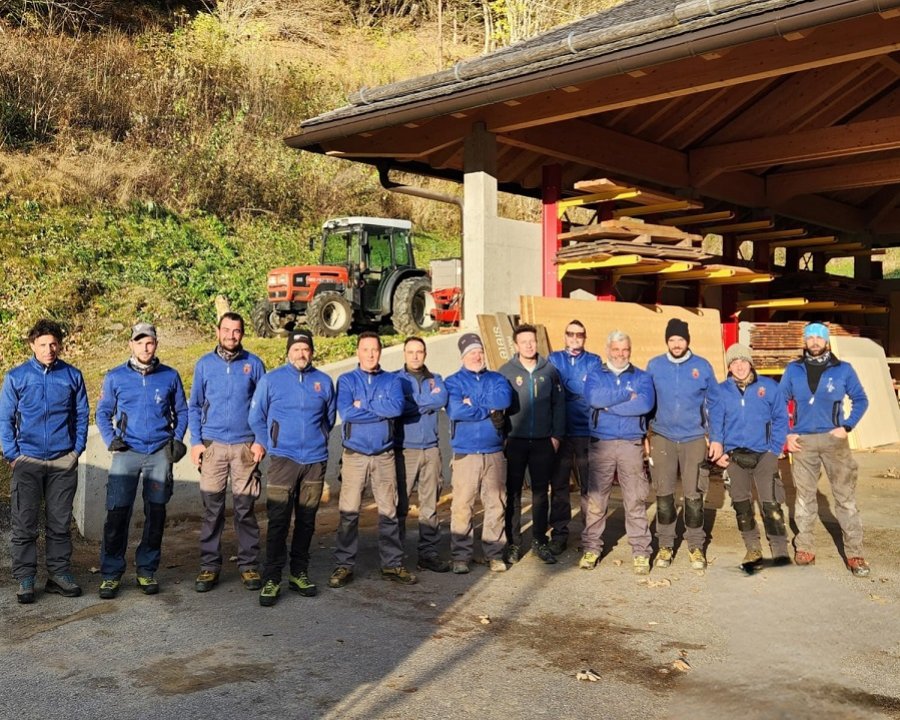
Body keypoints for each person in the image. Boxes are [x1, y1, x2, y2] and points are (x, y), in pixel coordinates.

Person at [95, 322, 188, 599]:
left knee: (156, 513)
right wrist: (111, 438)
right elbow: (102, 413)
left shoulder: (170, 376)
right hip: (127, 451)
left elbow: (182, 411)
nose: (145, 347)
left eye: (149, 342)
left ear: (156, 344)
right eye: (139, 342)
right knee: (117, 513)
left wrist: (177, 439)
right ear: (131, 345)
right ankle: (111, 573)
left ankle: (146, 570)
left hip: (160, 451)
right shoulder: (115, 377)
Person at [0, 319, 89, 604]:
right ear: (32, 345)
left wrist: (76, 451)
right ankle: (26, 577)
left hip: (63, 461)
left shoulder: (72, 375)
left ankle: (59, 574)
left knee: (59, 523)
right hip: (28, 461)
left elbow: (82, 415)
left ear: (60, 344)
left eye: (53, 344)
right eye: (43, 345)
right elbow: (5, 418)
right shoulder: (16, 377)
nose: (49, 349)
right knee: (25, 522)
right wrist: (13, 455)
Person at [249, 330, 336, 606]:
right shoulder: (271, 380)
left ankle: (299, 572)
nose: (301, 353)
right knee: (278, 520)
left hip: (314, 460)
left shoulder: (323, 381)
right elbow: (256, 416)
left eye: (305, 349)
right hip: (283, 459)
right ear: (288, 351)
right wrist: (266, 442)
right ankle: (272, 576)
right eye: (296, 348)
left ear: (312, 352)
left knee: (307, 520)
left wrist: (318, 441)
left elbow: (329, 418)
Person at [779, 323, 870, 576]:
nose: (815, 341)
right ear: (805, 342)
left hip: (834, 441)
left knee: (845, 499)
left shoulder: (843, 370)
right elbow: (779, 402)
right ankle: (805, 546)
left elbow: (861, 399)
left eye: (819, 337)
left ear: (827, 341)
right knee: (804, 498)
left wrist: (847, 426)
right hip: (803, 443)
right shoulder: (793, 370)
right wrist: (787, 433)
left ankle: (855, 554)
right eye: (811, 337)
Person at [188, 312, 266, 593]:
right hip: (213, 446)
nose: (231, 335)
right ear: (217, 331)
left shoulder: (254, 364)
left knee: (245, 509)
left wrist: (261, 441)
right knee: (213, 510)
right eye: (227, 330)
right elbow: (195, 406)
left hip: (245, 446)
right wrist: (196, 442)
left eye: (237, 331)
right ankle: (209, 567)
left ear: (242, 334)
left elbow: (264, 406)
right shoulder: (204, 365)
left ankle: (249, 566)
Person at [330, 331, 415, 588]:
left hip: (384, 456)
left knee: (389, 511)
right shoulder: (346, 380)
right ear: (358, 352)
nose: (370, 354)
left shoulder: (392, 381)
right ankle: (344, 565)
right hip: (354, 455)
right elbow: (346, 412)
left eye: (374, 350)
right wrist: (379, 409)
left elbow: (396, 408)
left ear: (380, 352)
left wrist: (363, 406)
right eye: (365, 349)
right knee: (349, 513)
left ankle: (392, 564)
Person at [708, 343, 790, 571]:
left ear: (751, 363)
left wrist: (774, 448)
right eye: (734, 362)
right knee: (741, 504)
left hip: (764, 454)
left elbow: (781, 417)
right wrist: (720, 451)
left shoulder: (769, 387)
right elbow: (715, 422)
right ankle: (753, 547)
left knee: (771, 503)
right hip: (735, 456)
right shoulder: (721, 391)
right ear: (729, 366)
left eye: (743, 361)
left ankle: (780, 549)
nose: (740, 366)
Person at [580, 330, 655, 574]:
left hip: (631, 444)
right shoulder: (595, 375)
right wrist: (625, 396)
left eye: (625, 350)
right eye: (616, 349)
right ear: (608, 350)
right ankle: (591, 547)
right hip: (602, 443)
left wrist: (609, 408)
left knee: (635, 498)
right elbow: (593, 398)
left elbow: (644, 404)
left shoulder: (642, 377)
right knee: (596, 499)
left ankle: (641, 551)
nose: (620, 354)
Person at [646, 318, 718, 570]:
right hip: (663, 436)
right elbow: (647, 403)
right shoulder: (654, 366)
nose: (677, 344)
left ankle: (695, 545)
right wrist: (647, 435)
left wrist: (715, 437)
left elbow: (715, 404)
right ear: (667, 341)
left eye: (681, 339)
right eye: (672, 339)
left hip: (693, 438)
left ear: (688, 340)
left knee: (694, 494)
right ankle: (665, 544)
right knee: (664, 493)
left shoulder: (702, 366)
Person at [444, 333, 513, 574]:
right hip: (465, 453)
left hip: (493, 451)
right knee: (462, 505)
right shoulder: (452, 382)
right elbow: (456, 410)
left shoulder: (497, 378)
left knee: (496, 504)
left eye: (479, 351)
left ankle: (494, 553)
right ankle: (461, 556)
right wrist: (487, 407)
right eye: (471, 352)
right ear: (463, 356)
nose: (477, 355)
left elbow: (503, 400)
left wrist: (472, 402)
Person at [499, 324, 565, 565]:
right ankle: (514, 543)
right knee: (513, 492)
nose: (529, 345)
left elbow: (559, 405)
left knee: (540, 493)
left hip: (542, 442)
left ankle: (539, 540)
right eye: (523, 341)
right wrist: (503, 436)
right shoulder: (506, 371)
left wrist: (556, 435)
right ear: (516, 345)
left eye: (532, 341)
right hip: (514, 441)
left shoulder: (549, 371)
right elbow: (500, 409)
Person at [394, 336, 450, 573]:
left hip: (431, 449)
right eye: (411, 352)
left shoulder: (435, 379)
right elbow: (398, 406)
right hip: (405, 449)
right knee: (400, 505)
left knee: (429, 505)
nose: (415, 356)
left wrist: (414, 403)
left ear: (425, 354)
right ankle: (394, 557)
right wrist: (424, 403)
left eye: (419, 352)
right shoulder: (395, 380)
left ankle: (428, 553)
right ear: (404, 354)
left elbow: (441, 399)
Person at [548, 319, 601, 556]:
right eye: (570, 334)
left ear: (585, 337)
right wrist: (574, 391)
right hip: (560, 431)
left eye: (580, 334)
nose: (575, 338)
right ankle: (559, 534)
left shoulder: (594, 361)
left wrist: (567, 390)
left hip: (586, 431)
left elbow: (591, 391)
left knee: (589, 487)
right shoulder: (553, 359)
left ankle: (590, 536)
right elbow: (552, 389)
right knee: (559, 486)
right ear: (565, 336)